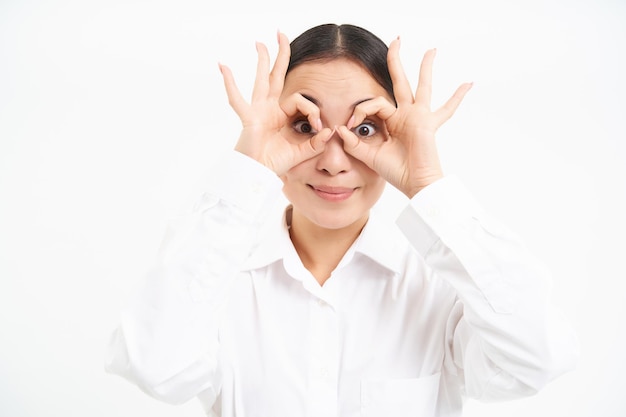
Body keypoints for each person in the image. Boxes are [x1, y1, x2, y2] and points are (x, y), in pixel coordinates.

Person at [105, 23, 578, 417]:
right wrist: (247, 171)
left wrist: (427, 182)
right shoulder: (219, 279)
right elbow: (154, 366)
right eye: (303, 125)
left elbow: (536, 360)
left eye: (364, 129)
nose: (333, 161)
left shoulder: (441, 286)